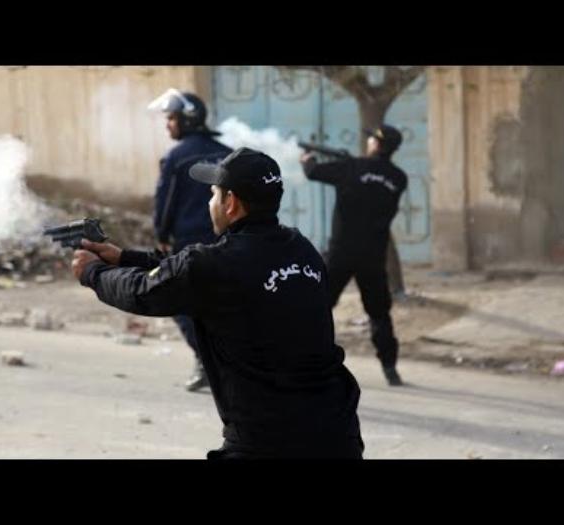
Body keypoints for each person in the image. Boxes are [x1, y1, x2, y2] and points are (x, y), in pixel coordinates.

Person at [71, 147, 364, 459]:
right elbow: (189, 272)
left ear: (231, 203)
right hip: (337, 433)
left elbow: (143, 292)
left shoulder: (213, 265)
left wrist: (92, 272)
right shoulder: (300, 249)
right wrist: (125, 257)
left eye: (213, 194)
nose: (209, 203)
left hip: (267, 441)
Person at [300, 124, 408, 386]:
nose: (368, 140)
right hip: (373, 255)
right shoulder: (398, 178)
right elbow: (371, 183)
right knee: (379, 312)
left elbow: (313, 172)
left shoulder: (351, 168)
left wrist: (307, 160)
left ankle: (306, 362)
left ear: (376, 144)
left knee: (319, 306)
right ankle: (390, 367)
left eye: (371, 138)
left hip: (341, 252)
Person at [149, 88, 233, 392]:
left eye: (171, 118)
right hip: (227, 241)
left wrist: (161, 234)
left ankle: (207, 360)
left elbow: (165, 201)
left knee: (174, 299)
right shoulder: (227, 152)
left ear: (187, 119)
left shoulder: (176, 157)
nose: (167, 124)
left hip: (190, 242)